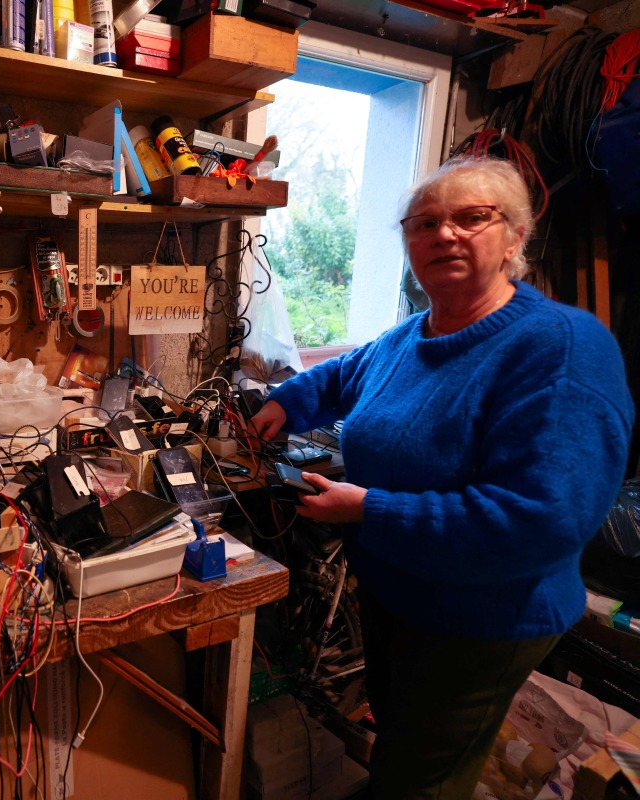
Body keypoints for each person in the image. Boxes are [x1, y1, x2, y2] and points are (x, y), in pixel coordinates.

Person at [249, 156, 634, 799]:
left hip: (484, 615)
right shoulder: (414, 334)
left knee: (423, 777)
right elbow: (345, 375)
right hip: (400, 594)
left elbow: (541, 519)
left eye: (471, 217)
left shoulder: (560, 348)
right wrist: (285, 403)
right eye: (424, 223)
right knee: (403, 743)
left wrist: (371, 510)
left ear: (515, 237)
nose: (444, 234)